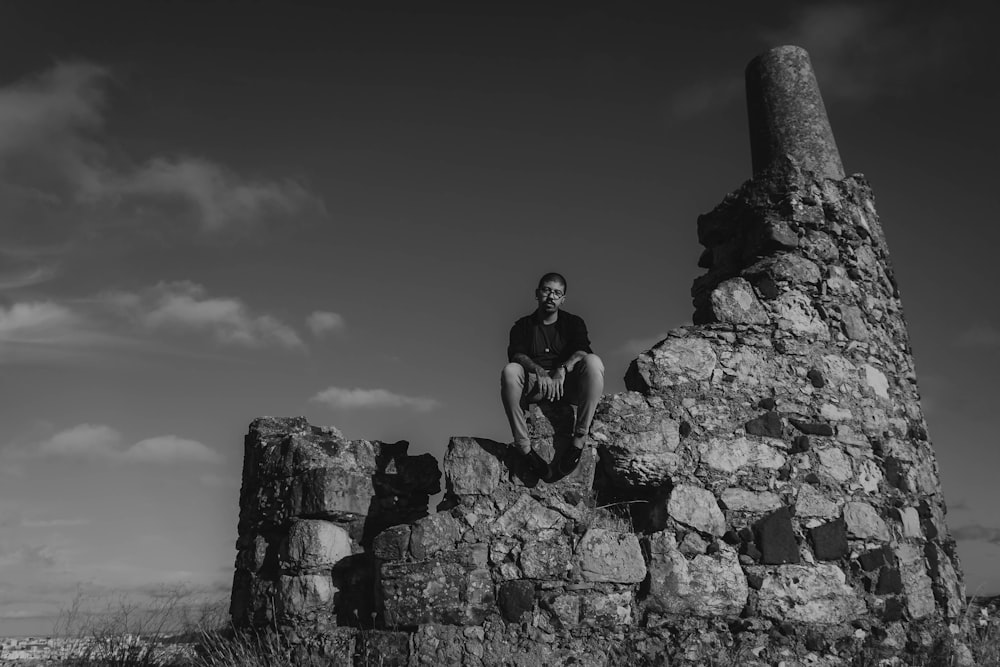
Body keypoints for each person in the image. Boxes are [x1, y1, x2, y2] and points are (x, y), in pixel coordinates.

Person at [501, 272, 605, 478]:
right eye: (547, 290)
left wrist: (562, 369)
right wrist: (539, 371)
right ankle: (524, 448)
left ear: (563, 299)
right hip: (536, 386)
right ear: (537, 293)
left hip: (567, 385)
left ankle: (579, 440)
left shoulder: (573, 323)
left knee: (594, 362)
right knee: (510, 371)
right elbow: (516, 355)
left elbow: (582, 350)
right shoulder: (522, 326)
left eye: (557, 293)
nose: (551, 297)